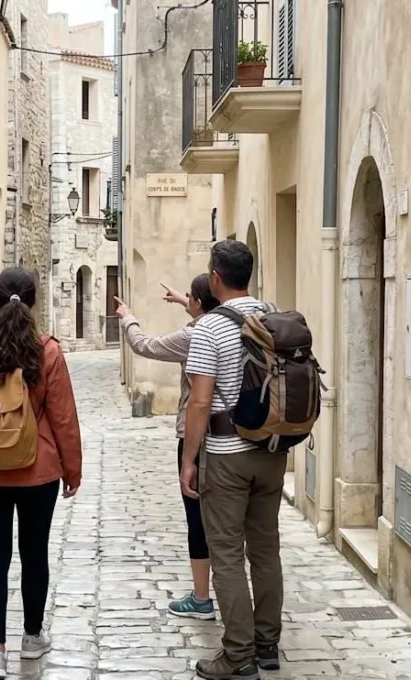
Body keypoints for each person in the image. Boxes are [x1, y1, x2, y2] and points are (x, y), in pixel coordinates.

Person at [0, 268, 83, 680]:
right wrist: (72, 470)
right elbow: (62, 417)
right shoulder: (47, 351)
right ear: (34, 301)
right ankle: (31, 636)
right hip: (37, 471)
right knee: (34, 554)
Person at [181, 240, 285, 680]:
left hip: (226, 456)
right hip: (272, 452)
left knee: (225, 554)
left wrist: (190, 459)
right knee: (266, 550)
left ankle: (238, 654)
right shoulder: (274, 314)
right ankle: (267, 645)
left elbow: (200, 402)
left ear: (216, 278)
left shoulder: (208, 328)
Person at [113, 275, 220, 620]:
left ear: (199, 304)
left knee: (198, 521)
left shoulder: (195, 336)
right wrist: (180, 300)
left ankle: (202, 597)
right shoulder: (233, 325)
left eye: (191, 297)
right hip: (237, 440)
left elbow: (146, 345)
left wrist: (128, 317)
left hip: (200, 439)